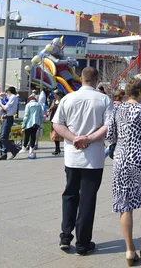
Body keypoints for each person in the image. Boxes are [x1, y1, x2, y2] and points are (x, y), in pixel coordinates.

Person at [53, 67, 113, 256]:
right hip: (93, 156)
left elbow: (57, 124)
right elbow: (108, 126)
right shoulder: (104, 99)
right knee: (87, 199)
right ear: (96, 79)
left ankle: (65, 236)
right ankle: (83, 242)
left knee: (70, 194)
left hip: (72, 155)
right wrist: (89, 138)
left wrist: (73, 138)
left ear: (81, 79)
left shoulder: (67, 98)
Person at [107, 78, 141, 266]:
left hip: (121, 159)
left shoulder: (116, 109)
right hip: (140, 159)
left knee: (125, 205)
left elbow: (110, 136)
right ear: (139, 92)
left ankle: (129, 250)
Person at [0, 87, 20, 161]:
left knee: (3, 137)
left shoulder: (13, 97)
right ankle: (3, 154)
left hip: (8, 118)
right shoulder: (11, 97)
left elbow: (6, 107)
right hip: (5, 118)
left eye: (7, 92)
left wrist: (0, 103)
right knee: (3, 137)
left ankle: (15, 148)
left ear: (9, 91)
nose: (6, 94)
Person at [19, 93, 44, 159]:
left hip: (29, 123)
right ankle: (31, 149)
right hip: (36, 123)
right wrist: (41, 123)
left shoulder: (28, 105)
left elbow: (26, 115)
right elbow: (41, 115)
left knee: (27, 135)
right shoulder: (39, 105)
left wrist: (23, 124)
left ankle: (24, 148)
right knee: (33, 136)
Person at [48, 90, 65, 155]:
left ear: (59, 95)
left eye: (55, 94)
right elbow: (51, 108)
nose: (54, 95)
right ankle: (57, 149)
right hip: (53, 119)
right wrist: (49, 110)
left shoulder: (62, 101)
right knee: (54, 135)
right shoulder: (54, 101)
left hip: (60, 120)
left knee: (60, 135)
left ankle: (60, 149)